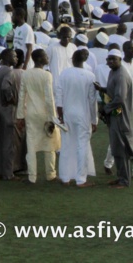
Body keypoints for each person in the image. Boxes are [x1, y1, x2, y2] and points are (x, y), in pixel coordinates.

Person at [16, 48, 61, 183]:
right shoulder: (47, 75)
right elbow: (49, 98)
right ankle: (51, 174)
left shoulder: (26, 74)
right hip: (45, 113)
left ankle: (32, 176)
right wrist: (52, 117)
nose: (48, 58)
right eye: (45, 56)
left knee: (31, 145)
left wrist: (20, 116)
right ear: (40, 59)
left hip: (30, 113)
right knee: (50, 145)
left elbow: (22, 96)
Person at [56, 48, 98, 187]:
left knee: (66, 144)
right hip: (83, 114)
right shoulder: (90, 76)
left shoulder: (64, 74)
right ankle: (81, 179)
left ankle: (65, 177)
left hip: (67, 113)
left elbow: (59, 95)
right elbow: (92, 101)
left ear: (73, 59)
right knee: (82, 145)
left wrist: (60, 114)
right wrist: (94, 120)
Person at [101, 48, 133, 188]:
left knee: (120, 148)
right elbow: (113, 91)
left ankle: (124, 180)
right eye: (109, 59)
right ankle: (121, 176)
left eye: (113, 59)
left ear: (120, 60)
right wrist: (102, 89)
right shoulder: (113, 72)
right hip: (116, 114)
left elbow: (120, 98)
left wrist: (105, 109)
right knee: (116, 147)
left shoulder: (121, 75)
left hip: (120, 116)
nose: (110, 62)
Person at [0, 49, 21, 180]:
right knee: (9, 143)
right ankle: (8, 173)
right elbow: (5, 87)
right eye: (14, 56)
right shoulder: (9, 72)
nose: (16, 59)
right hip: (8, 111)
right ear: (7, 57)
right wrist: (11, 99)